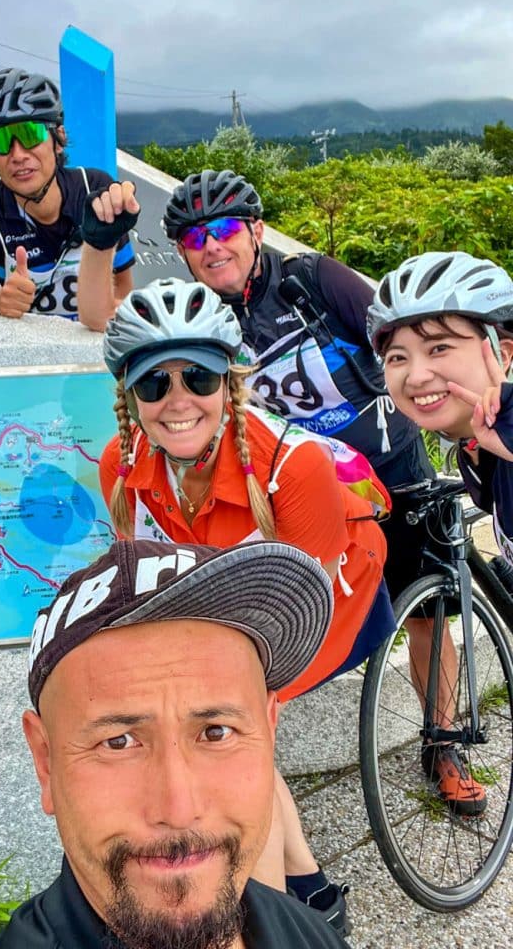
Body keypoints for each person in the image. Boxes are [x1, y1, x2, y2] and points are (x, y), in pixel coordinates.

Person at [98, 277, 394, 934]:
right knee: (218, 726)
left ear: (228, 382)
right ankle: (312, 893)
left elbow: (299, 609)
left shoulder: (295, 466)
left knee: (229, 738)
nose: (178, 402)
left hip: (330, 596)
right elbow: (155, 576)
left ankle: (262, 919)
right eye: (155, 385)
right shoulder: (120, 462)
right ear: (131, 398)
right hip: (234, 593)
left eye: (198, 379)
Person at [0, 538, 350, 948]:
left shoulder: (309, 935)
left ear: (268, 732)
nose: (178, 811)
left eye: (216, 731)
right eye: (118, 742)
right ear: (45, 762)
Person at [161, 169, 435, 609]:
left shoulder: (312, 280)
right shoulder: (202, 324)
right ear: (183, 253)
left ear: (257, 231)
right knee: (311, 613)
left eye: (226, 229)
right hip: (308, 485)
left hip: (392, 464)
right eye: (195, 239)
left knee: (421, 610)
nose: (212, 245)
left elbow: (399, 341)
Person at [367, 249, 513, 815]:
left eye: (439, 348)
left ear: (500, 352)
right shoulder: (481, 448)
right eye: (398, 356)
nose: (416, 373)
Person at [0, 67, 138, 331]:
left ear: (58, 138)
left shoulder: (95, 188)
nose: (17, 155)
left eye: (30, 134)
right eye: (1, 141)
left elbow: (123, 290)